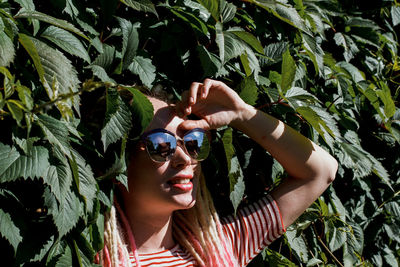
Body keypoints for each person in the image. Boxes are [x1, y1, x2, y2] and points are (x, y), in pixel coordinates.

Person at [99, 79, 338, 267]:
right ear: (118, 162)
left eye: (192, 141)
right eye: (161, 145)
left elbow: (321, 171)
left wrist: (242, 114)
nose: (185, 158)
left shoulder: (221, 248)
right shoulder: (88, 259)